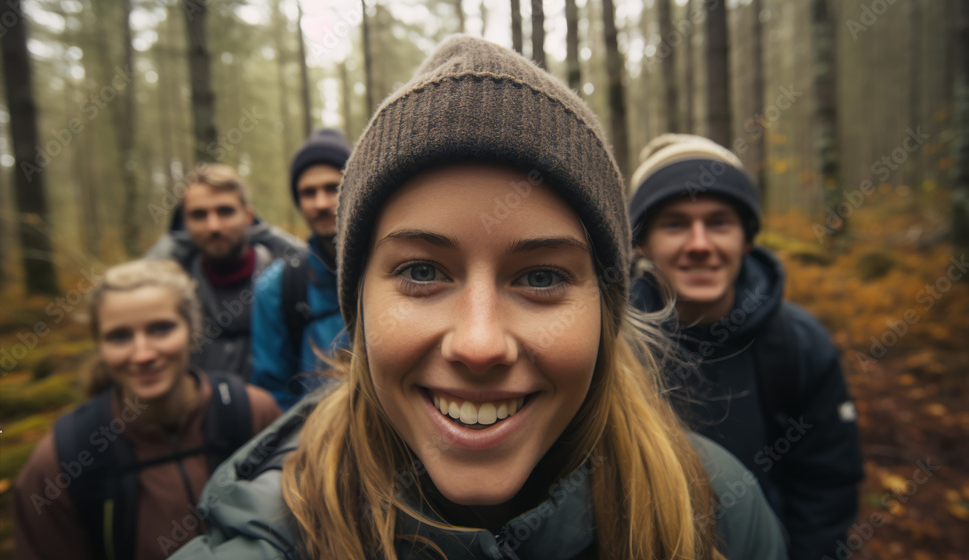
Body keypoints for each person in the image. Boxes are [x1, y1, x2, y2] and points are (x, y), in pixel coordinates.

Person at [171, 36, 788, 560]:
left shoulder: (715, 510)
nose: (479, 343)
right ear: (356, 308)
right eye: (420, 270)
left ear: (607, 309)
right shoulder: (264, 535)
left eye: (541, 277)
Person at [627, 134, 864, 560]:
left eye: (719, 222)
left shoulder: (799, 344)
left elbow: (825, 488)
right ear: (641, 244)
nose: (700, 244)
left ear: (747, 237)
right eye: (675, 223)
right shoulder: (608, 343)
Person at [12, 260, 282, 560]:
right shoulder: (60, 462)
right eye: (119, 336)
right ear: (99, 346)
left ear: (193, 331)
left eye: (161, 329)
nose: (142, 354)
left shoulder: (254, 414)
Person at [145, 164, 304, 379]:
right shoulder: (170, 289)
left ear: (248, 216)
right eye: (199, 215)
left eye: (225, 211)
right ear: (185, 222)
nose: (213, 226)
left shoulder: (289, 278)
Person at [251, 129, 351, 410]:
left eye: (333, 187)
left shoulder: (390, 270)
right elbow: (273, 390)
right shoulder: (276, 287)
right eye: (308, 193)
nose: (321, 203)